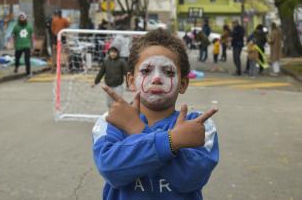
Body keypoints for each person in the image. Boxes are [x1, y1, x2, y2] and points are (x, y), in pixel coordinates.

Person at [92, 29, 219, 200]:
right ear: (131, 81)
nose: (157, 78)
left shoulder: (198, 125)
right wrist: (172, 142)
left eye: (168, 72)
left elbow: (190, 178)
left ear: (183, 83)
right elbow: (111, 170)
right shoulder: (112, 121)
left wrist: (137, 130)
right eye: (146, 71)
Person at [12, 12, 33, 78]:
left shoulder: (29, 26)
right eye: (20, 18)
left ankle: (28, 73)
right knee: (17, 58)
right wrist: (13, 43)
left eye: (23, 18)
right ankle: (16, 67)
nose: (22, 19)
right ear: (19, 19)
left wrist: (32, 46)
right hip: (18, 46)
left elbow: (32, 36)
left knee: (27, 60)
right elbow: (13, 35)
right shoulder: (16, 26)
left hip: (27, 45)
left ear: (25, 18)